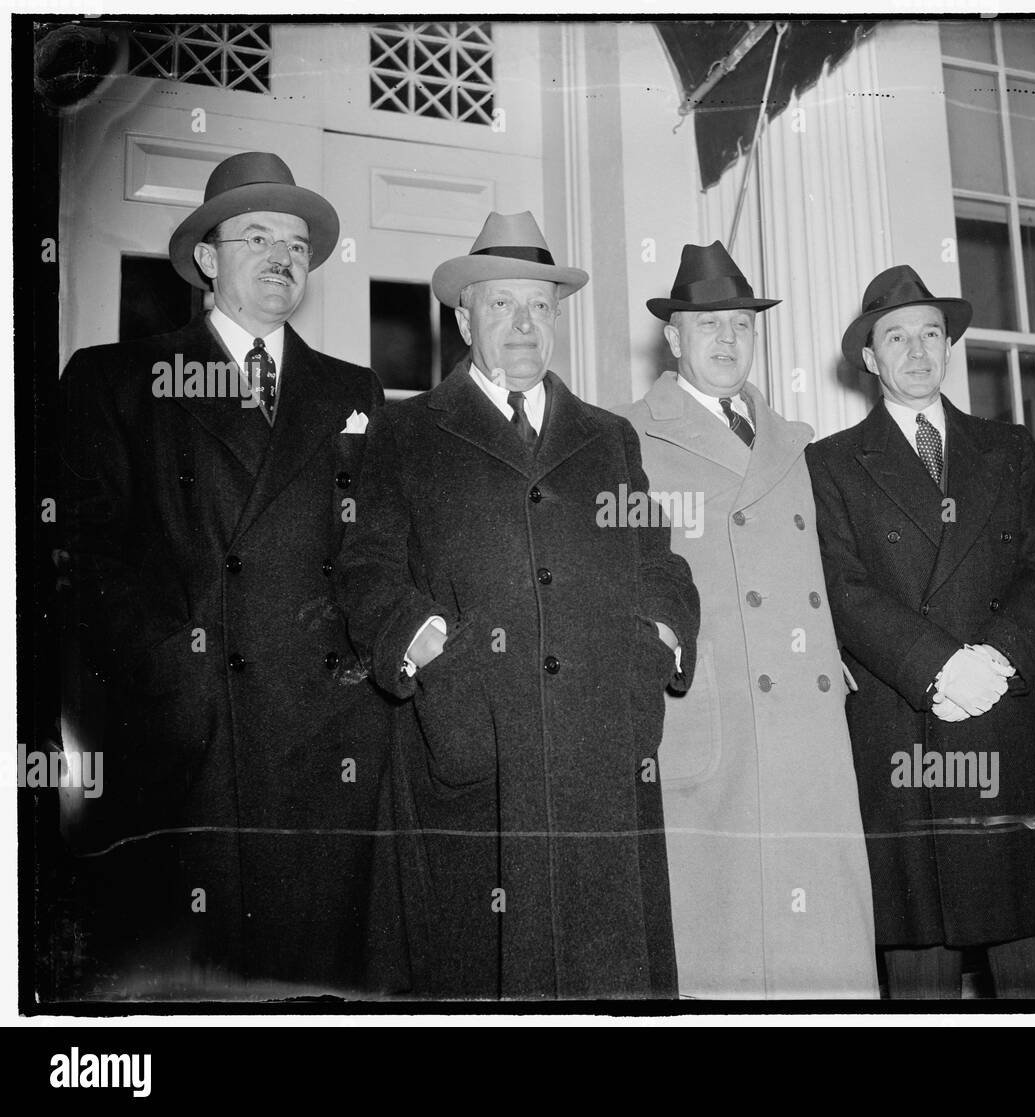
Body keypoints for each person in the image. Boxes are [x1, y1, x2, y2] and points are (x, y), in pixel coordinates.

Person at [59, 151, 402, 995]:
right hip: (184, 747)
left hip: (326, 750)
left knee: (311, 987)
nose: (283, 254)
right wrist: (171, 672)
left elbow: (375, 549)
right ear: (207, 259)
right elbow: (83, 557)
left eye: (296, 241)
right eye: (256, 235)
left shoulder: (353, 388)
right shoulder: (118, 380)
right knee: (195, 990)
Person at [335, 210, 700, 1000]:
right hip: (470, 749)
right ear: (465, 316)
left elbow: (659, 562)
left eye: (539, 305)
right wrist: (436, 654)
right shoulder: (405, 431)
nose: (523, 324)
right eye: (501, 304)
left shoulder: (608, 437)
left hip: (602, 753)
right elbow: (365, 570)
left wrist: (658, 643)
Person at [806, 264, 1035, 999]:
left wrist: (997, 658)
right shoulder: (828, 463)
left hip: (1005, 722)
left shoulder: (1009, 447)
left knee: (1032, 973)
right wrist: (936, 667)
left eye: (931, 333)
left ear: (949, 344)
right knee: (919, 970)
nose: (918, 350)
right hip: (904, 731)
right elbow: (841, 586)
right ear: (869, 357)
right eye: (897, 336)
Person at [618, 242, 878, 998]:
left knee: (821, 966)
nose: (727, 340)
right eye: (708, 326)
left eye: (740, 323)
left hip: (808, 738)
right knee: (722, 963)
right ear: (672, 338)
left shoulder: (798, 442)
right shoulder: (624, 437)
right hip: (710, 727)